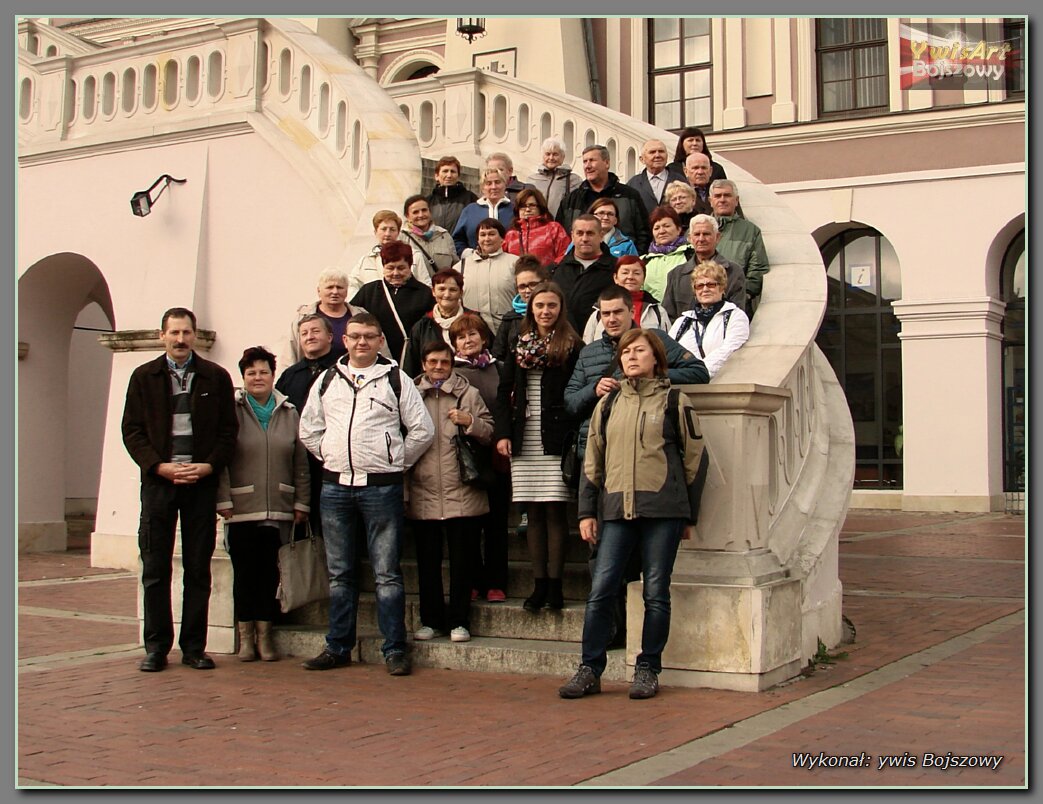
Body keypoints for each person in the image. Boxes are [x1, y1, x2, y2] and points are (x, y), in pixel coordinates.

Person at [559, 328, 708, 700]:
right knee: (602, 590)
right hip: (614, 510)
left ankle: (647, 668)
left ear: (656, 358)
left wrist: (689, 515)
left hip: (663, 511)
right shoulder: (607, 405)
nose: (630, 357)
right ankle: (589, 668)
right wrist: (586, 512)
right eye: (626, 352)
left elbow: (695, 460)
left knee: (656, 592)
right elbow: (592, 461)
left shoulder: (675, 401)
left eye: (638, 351)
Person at [298, 314, 435, 675]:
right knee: (340, 573)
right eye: (355, 336)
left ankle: (394, 648)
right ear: (344, 340)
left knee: (386, 573)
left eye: (369, 337)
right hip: (335, 487)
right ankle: (338, 645)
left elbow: (422, 429)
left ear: (379, 341)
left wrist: (393, 461)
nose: (362, 342)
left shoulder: (395, 378)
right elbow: (309, 428)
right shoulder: (327, 379)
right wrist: (329, 455)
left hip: (382, 488)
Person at [121, 307, 238, 672]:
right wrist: (159, 466)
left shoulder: (215, 377)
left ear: (194, 335)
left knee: (198, 568)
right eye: (174, 333)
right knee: (155, 566)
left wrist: (209, 465)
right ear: (162, 336)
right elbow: (132, 431)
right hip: (159, 484)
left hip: (200, 484)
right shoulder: (144, 377)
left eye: (186, 333)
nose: (180, 339)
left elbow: (227, 431)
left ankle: (193, 647)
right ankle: (156, 647)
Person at [493, 282, 583, 614]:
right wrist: (503, 433)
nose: (545, 311)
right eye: (539, 305)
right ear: (531, 309)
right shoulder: (519, 342)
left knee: (555, 510)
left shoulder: (572, 344)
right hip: (524, 434)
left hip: (554, 436)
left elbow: (577, 391)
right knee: (531, 511)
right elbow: (504, 393)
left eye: (552, 306)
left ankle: (555, 586)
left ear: (561, 309)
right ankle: (538, 583)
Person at [217, 346, 310, 662]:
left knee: (271, 576)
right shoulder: (231, 412)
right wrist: (223, 498)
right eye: (251, 373)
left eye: (264, 372)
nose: (258, 378)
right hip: (242, 508)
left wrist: (302, 502)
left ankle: (266, 636)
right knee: (245, 575)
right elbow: (222, 460)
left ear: (274, 375)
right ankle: (247, 638)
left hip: (280, 507)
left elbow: (301, 463)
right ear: (243, 377)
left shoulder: (289, 412)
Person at [407, 341, 495, 644]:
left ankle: (460, 620)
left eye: (444, 362)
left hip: (462, 491)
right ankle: (431, 620)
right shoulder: (409, 395)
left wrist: (470, 422)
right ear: (423, 364)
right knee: (427, 563)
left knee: (463, 562)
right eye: (433, 362)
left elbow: (489, 431)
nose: (438, 368)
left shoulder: (468, 393)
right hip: (423, 489)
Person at [451, 313, 510, 603]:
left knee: (497, 522)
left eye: (473, 334)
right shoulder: (450, 372)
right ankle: (473, 579)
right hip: (465, 454)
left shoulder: (499, 368)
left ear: (484, 337)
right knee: (469, 522)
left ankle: (497, 581)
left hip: (497, 452)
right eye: (461, 337)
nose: (468, 340)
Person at [275, 314, 341, 539]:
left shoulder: (343, 368)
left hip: (334, 461)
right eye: (304, 333)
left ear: (330, 336)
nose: (309, 337)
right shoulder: (289, 376)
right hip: (299, 463)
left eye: (315, 331)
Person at [350, 241, 435, 366]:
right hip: (376, 360)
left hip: (413, 359)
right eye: (390, 268)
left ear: (410, 266)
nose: (395, 273)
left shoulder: (425, 294)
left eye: (401, 268)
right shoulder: (369, 291)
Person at [556, 144, 651, 254]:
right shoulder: (571, 200)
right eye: (585, 161)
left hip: (621, 265)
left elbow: (644, 233)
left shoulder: (630, 195)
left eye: (592, 160)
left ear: (607, 163)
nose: (587, 166)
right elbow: (561, 237)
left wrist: (632, 261)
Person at [668, 261, 751, 378]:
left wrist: (698, 373)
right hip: (684, 383)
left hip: (721, 384)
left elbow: (730, 349)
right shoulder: (683, 321)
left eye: (711, 285)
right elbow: (670, 352)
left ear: (722, 288)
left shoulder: (735, 316)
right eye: (700, 286)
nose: (705, 289)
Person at [662, 214, 745, 319]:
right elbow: (668, 317)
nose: (701, 239)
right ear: (690, 238)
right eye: (697, 234)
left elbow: (738, 314)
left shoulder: (734, 271)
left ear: (718, 237)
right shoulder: (676, 274)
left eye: (706, 234)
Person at [550, 214, 617, 333]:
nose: (585, 238)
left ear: (601, 235)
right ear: (572, 236)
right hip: (560, 338)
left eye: (590, 233)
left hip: (599, 338)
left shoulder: (616, 269)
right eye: (580, 233)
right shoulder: (555, 269)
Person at [710, 179, 769, 312]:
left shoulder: (750, 231)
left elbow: (758, 269)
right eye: (718, 196)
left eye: (727, 195)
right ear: (711, 201)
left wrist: (743, 293)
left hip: (737, 305)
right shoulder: (698, 227)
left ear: (736, 201)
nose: (722, 199)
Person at [402, 268, 472, 378]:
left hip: (469, 383)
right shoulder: (422, 326)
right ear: (433, 292)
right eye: (442, 289)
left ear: (461, 293)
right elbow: (411, 366)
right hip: (431, 388)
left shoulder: (473, 321)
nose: (447, 295)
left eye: (453, 290)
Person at [582, 256, 671, 342]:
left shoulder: (657, 311)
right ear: (615, 277)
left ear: (644, 278)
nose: (630, 277)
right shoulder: (598, 312)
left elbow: (668, 345)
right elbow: (588, 346)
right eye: (625, 273)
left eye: (636, 273)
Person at [289, 268, 368, 363]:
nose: (335, 292)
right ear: (319, 291)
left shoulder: (362, 316)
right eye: (329, 287)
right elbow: (290, 354)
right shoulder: (303, 317)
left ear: (346, 291)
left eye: (339, 287)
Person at [455, 218, 517, 336]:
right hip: (473, 334)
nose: (487, 239)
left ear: (502, 239)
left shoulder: (515, 263)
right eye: (482, 235)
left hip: (507, 332)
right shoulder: (461, 267)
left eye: (492, 234)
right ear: (477, 239)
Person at [348, 210, 426, 297]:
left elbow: (425, 285)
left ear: (398, 232)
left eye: (392, 229)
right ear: (375, 232)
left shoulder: (415, 255)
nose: (388, 234)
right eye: (384, 229)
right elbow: (352, 284)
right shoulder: (367, 259)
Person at [491, 255, 549, 362]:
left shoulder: (557, 314)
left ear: (544, 283)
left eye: (532, 284)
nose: (527, 290)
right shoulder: (509, 319)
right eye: (522, 286)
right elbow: (498, 356)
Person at [452, 167, 515, 255]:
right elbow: (457, 239)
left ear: (505, 184)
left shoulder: (514, 209)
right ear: (482, 188)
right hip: (476, 263)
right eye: (488, 183)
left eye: (497, 182)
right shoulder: (470, 210)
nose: (494, 187)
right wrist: (469, 254)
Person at [503, 187, 571, 266]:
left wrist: (551, 270)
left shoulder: (554, 229)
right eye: (523, 206)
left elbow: (565, 254)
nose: (527, 209)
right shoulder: (511, 235)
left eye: (532, 205)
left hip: (547, 277)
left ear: (540, 207)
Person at [400, 194, 458, 282]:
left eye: (424, 210)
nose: (421, 215)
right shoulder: (402, 238)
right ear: (407, 216)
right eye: (415, 212)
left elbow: (455, 265)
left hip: (442, 292)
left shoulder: (444, 235)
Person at [642, 205, 692, 304]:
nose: (661, 231)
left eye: (666, 226)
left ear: (678, 229)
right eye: (656, 228)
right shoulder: (643, 261)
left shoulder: (691, 255)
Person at [626, 138, 687, 215]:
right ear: (642, 159)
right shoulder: (633, 184)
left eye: (661, 151)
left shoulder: (680, 180)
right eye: (652, 152)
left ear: (667, 156)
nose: (657, 155)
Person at [525, 137, 582, 217]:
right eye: (548, 154)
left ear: (563, 157)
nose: (551, 158)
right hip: (537, 226)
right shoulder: (532, 180)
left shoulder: (574, 180)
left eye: (555, 154)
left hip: (561, 226)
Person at [428, 155, 477, 233]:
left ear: (458, 176)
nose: (449, 175)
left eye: (453, 171)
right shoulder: (428, 201)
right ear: (436, 176)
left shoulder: (470, 199)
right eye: (445, 171)